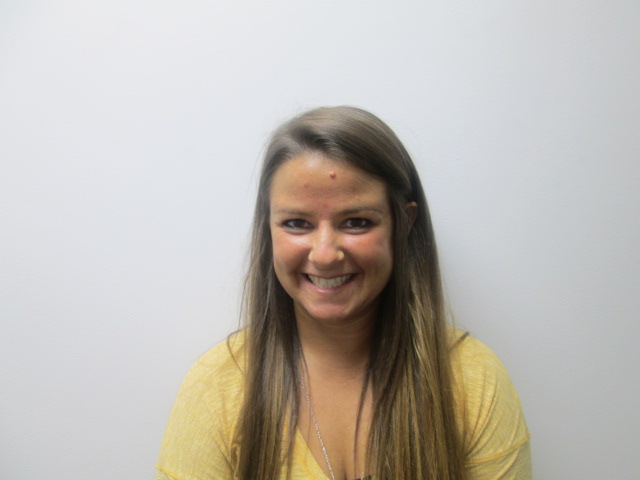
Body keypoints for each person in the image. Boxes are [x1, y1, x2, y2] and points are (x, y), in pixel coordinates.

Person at [156, 106, 531, 480]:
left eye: (356, 222)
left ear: (404, 223)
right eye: (297, 223)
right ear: (268, 229)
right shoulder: (217, 386)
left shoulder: (472, 380)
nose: (324, 255)